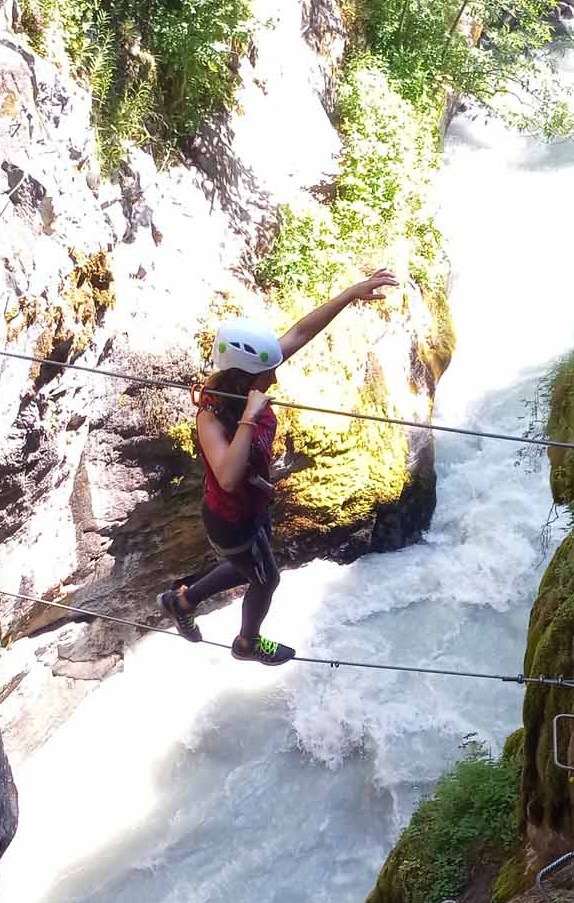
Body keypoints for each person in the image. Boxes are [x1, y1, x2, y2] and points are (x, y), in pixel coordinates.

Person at [159, 269, 398, 664]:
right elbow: (227, 475)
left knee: (248, 567)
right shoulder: (212, 413)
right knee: (266, 579)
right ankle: (246, 644)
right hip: (229, 519)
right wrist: (250, 419)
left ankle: (181, 601)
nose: (276, 374)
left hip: (253, 508)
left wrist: (350, 294)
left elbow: (300, 332)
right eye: (267, 372)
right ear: (242, 378)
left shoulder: (248, 379)